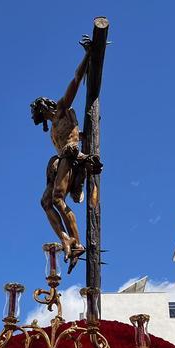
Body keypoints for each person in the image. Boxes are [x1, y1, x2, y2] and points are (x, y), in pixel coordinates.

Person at [31, 35, 102, 272]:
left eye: (38, 109)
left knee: (58, 199)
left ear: (45, 106)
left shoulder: (63, 109)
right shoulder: (52, 129)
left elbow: (76, 79)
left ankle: (78, 242)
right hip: (61, 160)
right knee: (45, 202)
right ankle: (65, 238)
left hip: (70, 157)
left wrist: (88, 55)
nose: (37, 113)